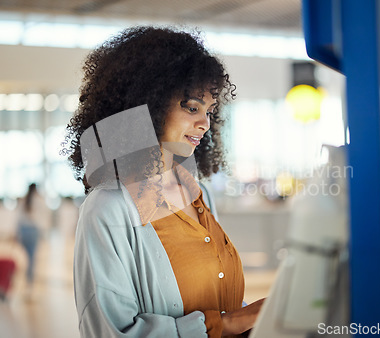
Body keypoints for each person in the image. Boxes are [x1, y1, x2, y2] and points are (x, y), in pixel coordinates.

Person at [64, 26, 264, 337]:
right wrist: (226, 324)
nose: (205, 123)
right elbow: (110, 330)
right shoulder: (108, 209)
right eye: (192, 107)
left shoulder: (200, 195)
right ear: (149, 105)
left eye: (210, 111)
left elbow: (217, 300)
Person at [16, 183, 45, 292]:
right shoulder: (39, 200)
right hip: (33, 231)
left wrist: (16, 233)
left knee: (27, 257)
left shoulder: (23, 200)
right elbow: (42, 219)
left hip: (23, 231)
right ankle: (29, 282)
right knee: (32, 259)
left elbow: (18, 218)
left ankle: (28, 279)